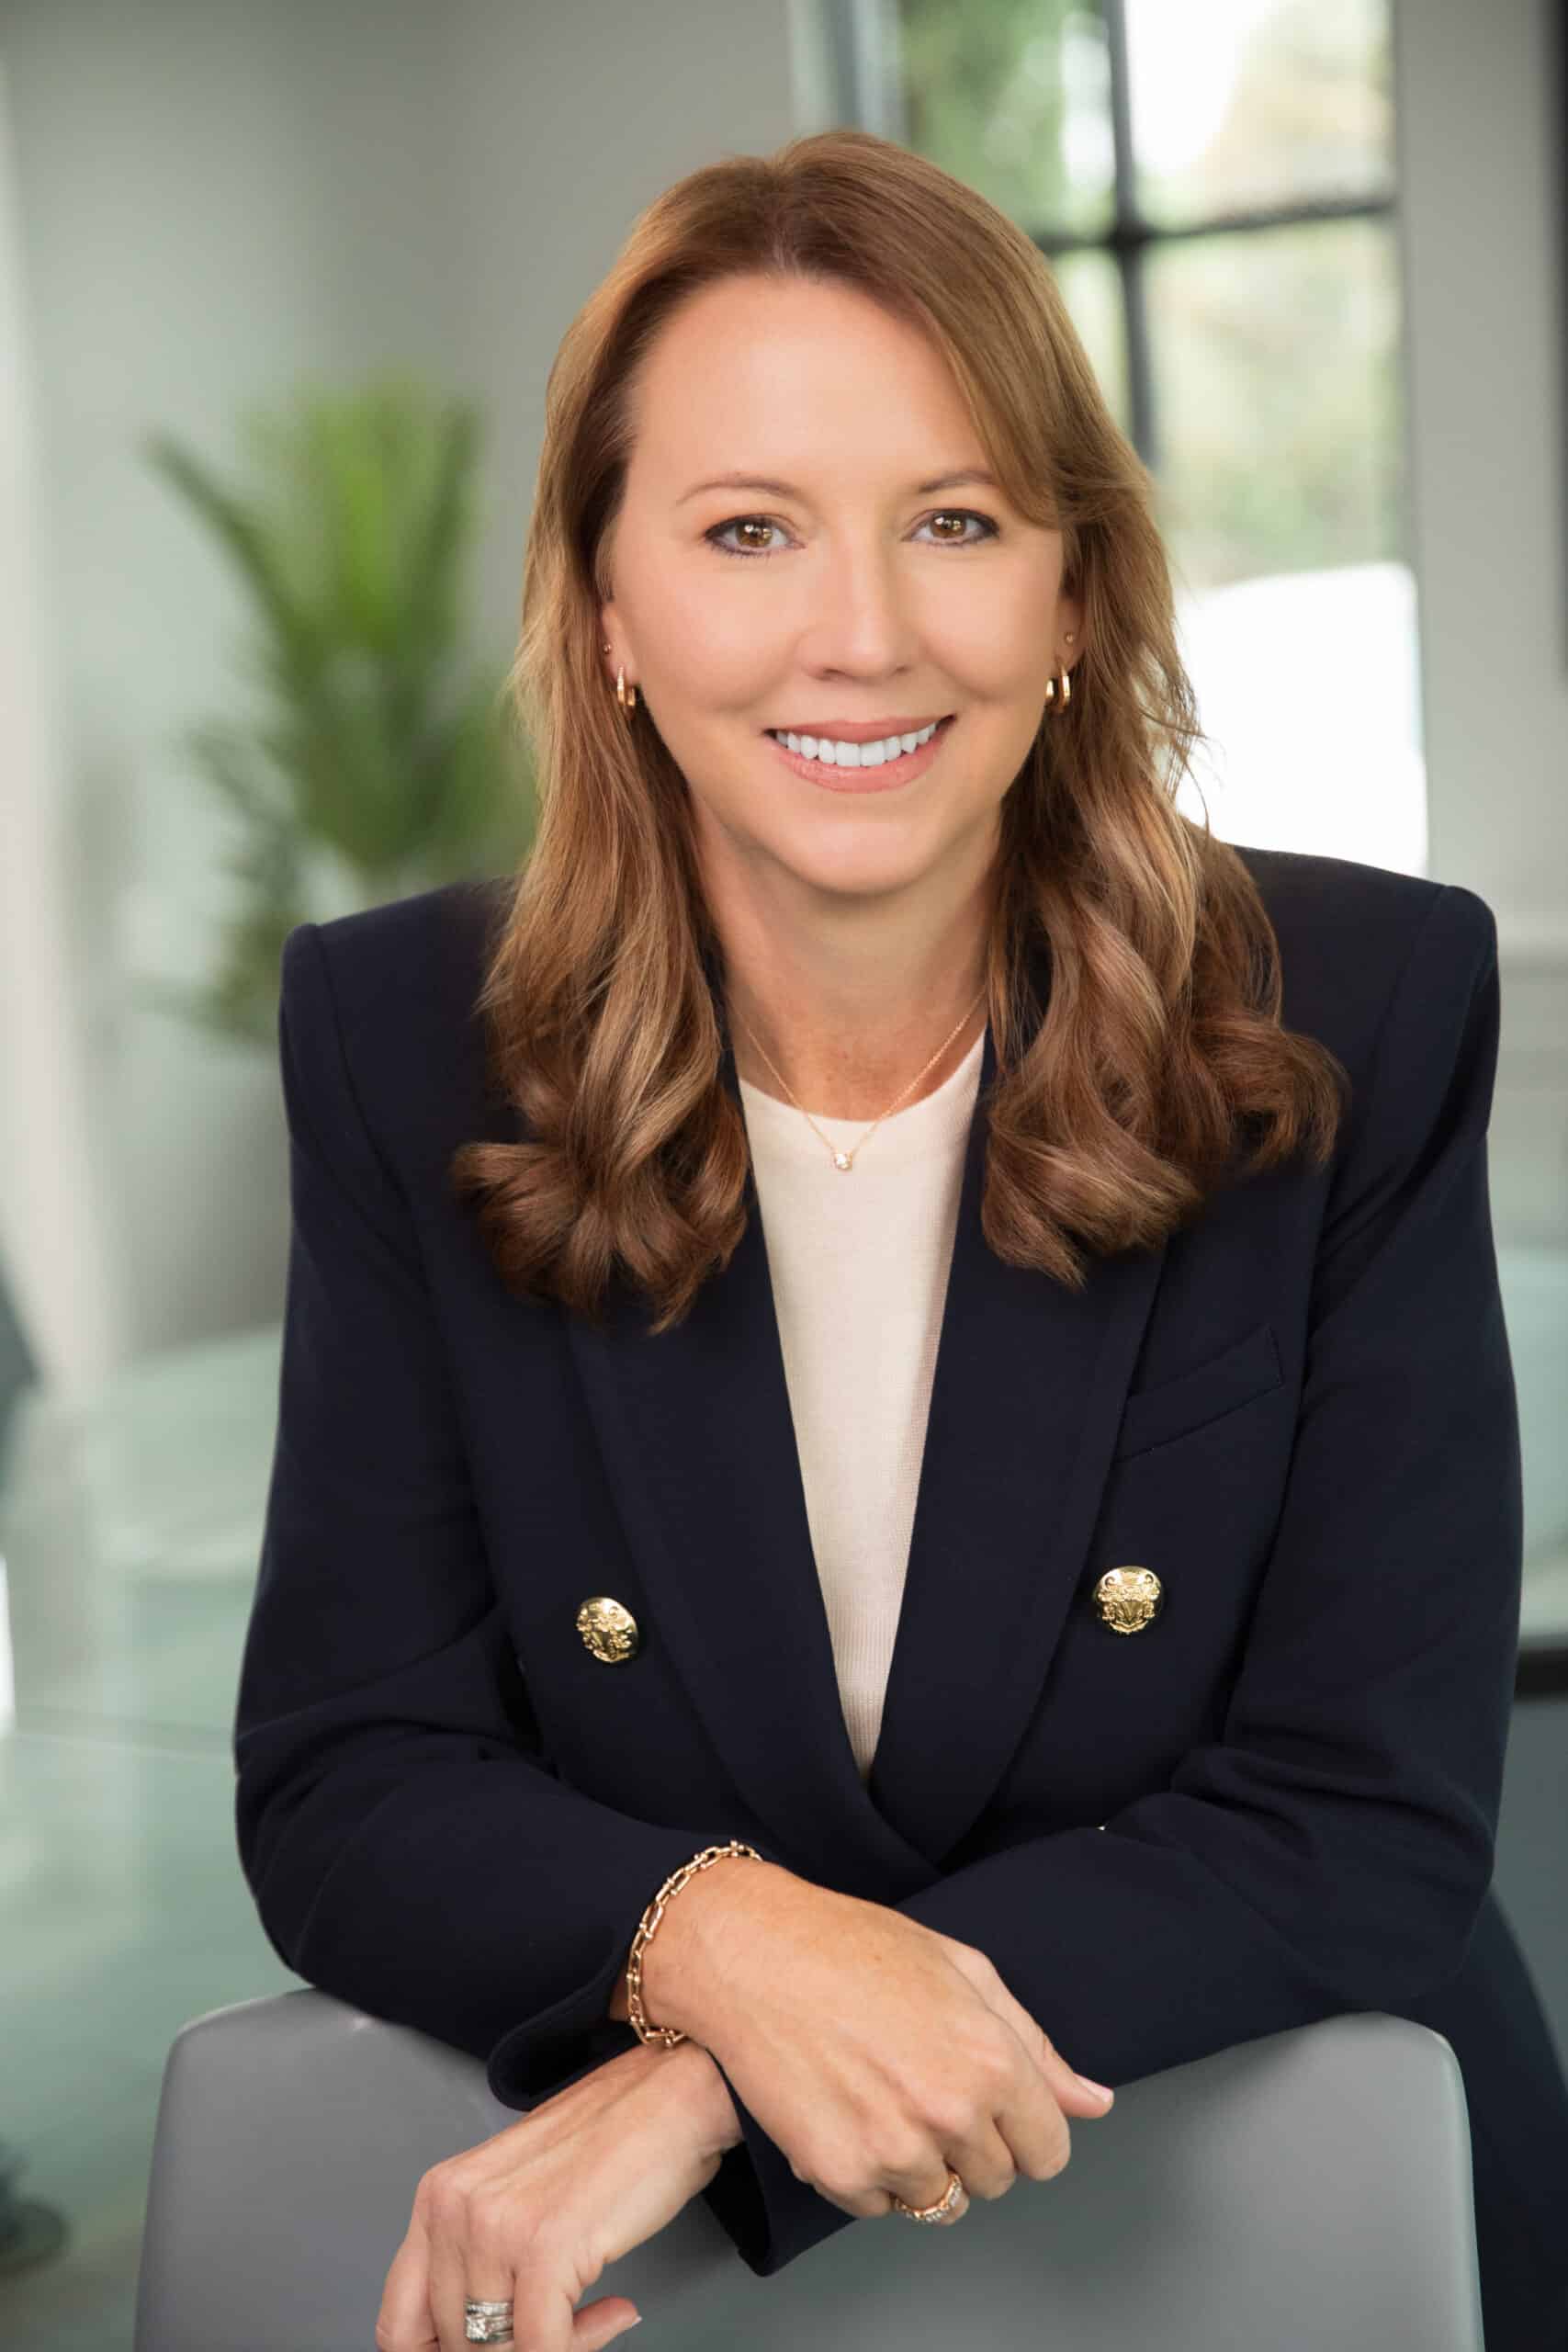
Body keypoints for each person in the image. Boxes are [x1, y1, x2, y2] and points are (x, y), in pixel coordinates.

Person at [232, 127, 1568, 2352]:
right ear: (609, 609)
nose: (858, 632)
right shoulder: (404, 1041)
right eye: (747, 530)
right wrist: (728, 1947)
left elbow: (1363, 1802)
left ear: (1069, 593)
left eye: (950, 522)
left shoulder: (1351, 1009)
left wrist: (704, 2080)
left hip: (1297, 2208)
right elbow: (349, 1768)